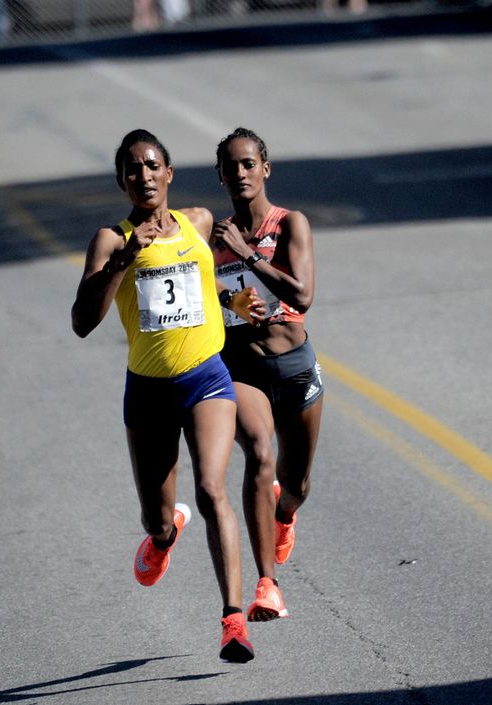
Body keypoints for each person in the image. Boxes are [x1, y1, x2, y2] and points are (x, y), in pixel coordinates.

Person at [71, 129, 266, 663]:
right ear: (122, 182)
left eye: (152, 166)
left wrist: (238, 301)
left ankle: (232, 622)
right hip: (149, 392)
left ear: (169, 173)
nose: (144, 176)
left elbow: (208, 284)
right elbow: (82, 322)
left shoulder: (198, 222)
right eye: (132, 170)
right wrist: (121, 263)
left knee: (211, 488)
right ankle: (163, 536)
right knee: (156, 519)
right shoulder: (111, 240)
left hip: (206, 378)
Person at [210, 127, 324, 623]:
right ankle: (267, 585)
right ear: (220, 176)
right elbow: (200, 295)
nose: (240, 173)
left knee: (295, 482)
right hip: (244, 369)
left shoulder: (291, 223)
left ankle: (285, 512)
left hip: (295, 368)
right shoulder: (213, 239)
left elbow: (301, 296)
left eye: (248, 164)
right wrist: (227, 298)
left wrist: (251, 255)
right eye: (231, 167)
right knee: (260, 454)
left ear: (265, 169)